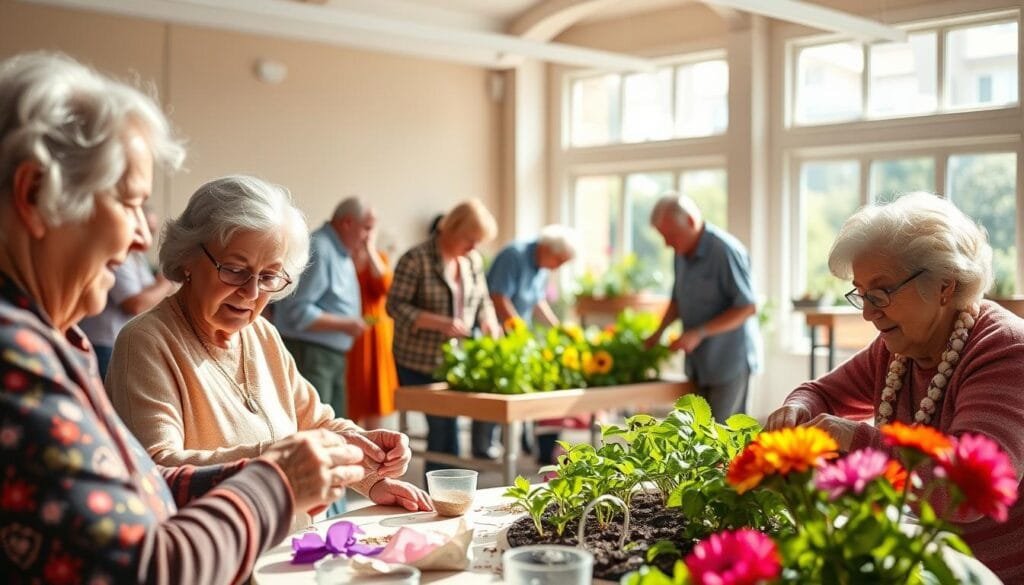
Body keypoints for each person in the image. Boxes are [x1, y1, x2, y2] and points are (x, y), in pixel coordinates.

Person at [0, 52, 365, 583]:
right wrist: (276, 483)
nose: (143, 238)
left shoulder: (53, 338)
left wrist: (350, 463)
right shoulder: (14, 353)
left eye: (270, 277)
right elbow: (144, 568)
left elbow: (145, 487)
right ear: (35, 196)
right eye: (129, 203)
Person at [107, 177, 430, 522]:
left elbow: (315, 422)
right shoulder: (146, 342)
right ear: (188, 256)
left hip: (290, 553)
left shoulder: (261, 333)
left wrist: (368, 465)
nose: (251, 292)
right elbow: (158, 470)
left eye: (270, 277)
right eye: (234, 270)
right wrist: (279, 460)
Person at [765, 192, 1024, 581]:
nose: (869, 312)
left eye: (881, 292)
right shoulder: (899, 349)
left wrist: (857, 440)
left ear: (944, 286)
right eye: (862, 294)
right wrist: (797, 408)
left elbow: (967, 491)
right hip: (931, 567)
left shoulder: (1005, 351)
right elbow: (821, 392)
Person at [387, 199, 501, 471]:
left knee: (448, 428)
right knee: (443, 429)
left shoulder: (471, 260)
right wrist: (438, 322)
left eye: (478, 242)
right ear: (451, 229)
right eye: (470, 239)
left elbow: (482, 299)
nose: (474, 247)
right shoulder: (416, 259)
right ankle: (443, 494)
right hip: (419, 361)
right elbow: (394, 306)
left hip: (456, 360)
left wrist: (490, 322)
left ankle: (451, 491)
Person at [644, 192, 761, 421]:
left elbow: (747, 307)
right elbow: (677, 300)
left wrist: (699, 333)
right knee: (699, 434)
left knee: (722, 435)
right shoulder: (680, 253)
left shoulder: (725, 251)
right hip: (700, 364)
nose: (667, 244)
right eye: (663, 237)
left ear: (690, 221)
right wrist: (658, 332)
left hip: (729, 360)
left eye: (670, 236)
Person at [487, 225, 577, 463]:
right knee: (497, 395)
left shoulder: (542, 266)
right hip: (497, 335)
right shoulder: (513, 256)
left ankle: (530, 445)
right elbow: (498, 296)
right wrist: (519, 332)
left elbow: (538, 302)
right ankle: (486, 446)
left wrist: (559, 329)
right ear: (546, 248)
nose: (559, 266)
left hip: (519, 337)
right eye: (559, 260)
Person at [273, 198, 369, 419]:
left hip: (329, 355)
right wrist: (348, 324)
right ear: (347, 223)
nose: (366, 237)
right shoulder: (320, 248)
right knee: (316, 428)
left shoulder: (339, 251)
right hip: (312, 354)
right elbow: (297, 311)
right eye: (365, 228)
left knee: (335, 430)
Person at [79, 205, 175, 379]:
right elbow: (136, 304)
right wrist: (165, 281)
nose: (146, 239)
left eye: (152, 231)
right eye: (130, 203)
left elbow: (145, 294)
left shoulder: (137, 257)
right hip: (104, 344)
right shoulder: (120, 256)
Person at [345, 199, 399, 430]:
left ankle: (375, 446)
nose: (367, 233)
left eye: (371, 228)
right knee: (352, 393)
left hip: (376, 335)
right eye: (365, 227)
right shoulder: (343, 258)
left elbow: (386, 287)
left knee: (375, 395)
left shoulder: (381, 258)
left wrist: (369, 249)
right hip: (351, 333)